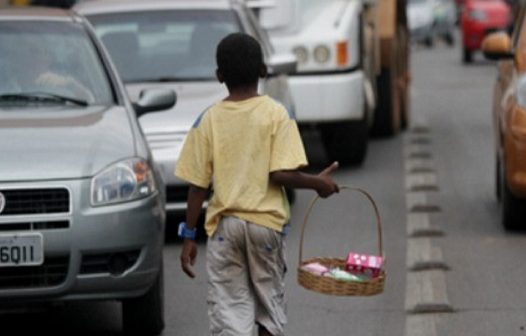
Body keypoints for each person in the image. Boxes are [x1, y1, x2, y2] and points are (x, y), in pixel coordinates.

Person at [175, 33, 340, 336]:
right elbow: (280, 175)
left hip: (225, 229)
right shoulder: (277, 115)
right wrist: (317, 183)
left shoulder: (207, 120)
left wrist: (188, 236)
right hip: (265, 227)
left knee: (229, 310)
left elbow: (197, 186)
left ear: (219, 76)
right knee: (269, 309)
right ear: (263, 71)